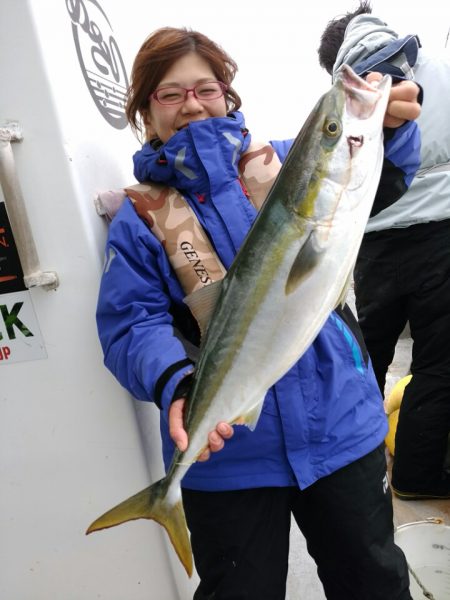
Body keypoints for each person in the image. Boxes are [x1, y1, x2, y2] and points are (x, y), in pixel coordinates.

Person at [96, 26, 421, 599]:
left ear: (228, 93)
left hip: (340, 428)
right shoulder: (141, 216)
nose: (192, 104)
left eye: (206, 88)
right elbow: (132, 323)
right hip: (226, 456)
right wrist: (175, 383)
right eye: (170, 94)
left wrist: (386, 130)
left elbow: (375, 181)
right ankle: (164, 500)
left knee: (374, 581)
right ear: (146, 108)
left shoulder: (284, 166)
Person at [318, 1, 450, 502]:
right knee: (439, 365)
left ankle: (351, 477)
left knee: (363, 359)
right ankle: (415, 477)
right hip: (441, 241)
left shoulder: (339, 97)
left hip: (371, 246)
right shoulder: (437, 69)